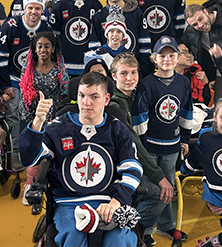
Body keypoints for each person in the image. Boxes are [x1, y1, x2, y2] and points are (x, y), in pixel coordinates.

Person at [19, 72, 142, 247]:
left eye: (94, 96)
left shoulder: (118, 129)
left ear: (106, 99)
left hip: (108, 202)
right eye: (82, 95)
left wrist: (116, 202)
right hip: (69, 204)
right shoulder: (58, 127)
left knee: (120, 241)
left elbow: (132, 169)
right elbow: (29, 159)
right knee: (74, 239)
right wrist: (38, 121)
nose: (86, 102)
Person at [109, 53, 177, 247]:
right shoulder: (116, 104)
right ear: (113, 75)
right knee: (159, 193)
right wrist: (158, 177)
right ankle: (133, 228)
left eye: (133, 72)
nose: (129, 78)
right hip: (121, 165)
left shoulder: (137, 96)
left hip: (143, 157)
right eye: (123, 73)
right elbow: (134, 144)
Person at [132, 36, 193, 244]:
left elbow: (186, 112)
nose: (167, 59)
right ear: (154, 59)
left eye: (171, 55)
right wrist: (142, 148)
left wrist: (185, 140)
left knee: (168, 189)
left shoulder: (184, 82)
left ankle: (166, 225)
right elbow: (140, 119)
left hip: (172, 147)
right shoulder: (146, 84)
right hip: (149, 148)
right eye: (162, 56)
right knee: (149, 190)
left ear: (178, 58)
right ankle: (145, 228)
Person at [181, 95, 222, 247]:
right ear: (215, 116)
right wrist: (184, 170)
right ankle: (211, 244)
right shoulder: (206, 137)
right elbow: (196, 157)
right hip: (219, 195)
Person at [0, 0, 51, 162]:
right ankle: (16, 152)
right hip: (14, 79)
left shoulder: (46, 26)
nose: (34, 12)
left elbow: (51, 57)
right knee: (13, 114)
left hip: (37, 79)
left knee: (40, 114)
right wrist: (6, 86)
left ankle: (39, 149)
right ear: (24, 9)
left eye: (38, 8)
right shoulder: (10, 26)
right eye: (30, 8)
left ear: (42, 10)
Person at [18, 32, 68, 203]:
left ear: (53, 48)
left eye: (47, 46)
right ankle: (30, 185)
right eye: (40, 46)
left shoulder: (59, 69)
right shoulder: (28, 69)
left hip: (55, 119)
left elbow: (64, 95)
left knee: (52, 154)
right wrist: (29, 119)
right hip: (35, 117)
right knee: (34, 152)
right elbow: (24, 94)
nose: (43, 49)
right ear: (35, 48)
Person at [90, 0, 152, 75]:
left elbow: (144, 41)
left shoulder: (136, 13)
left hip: (132, 71)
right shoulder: (99, 16)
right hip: (107, 73)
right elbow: (94, 47)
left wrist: (142, 68)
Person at [49, 0, 102, 76]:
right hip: (65, 67)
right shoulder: (59, 5)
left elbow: (99, 35)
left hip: (89, 66)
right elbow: (54, 38)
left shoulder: (95, 4)